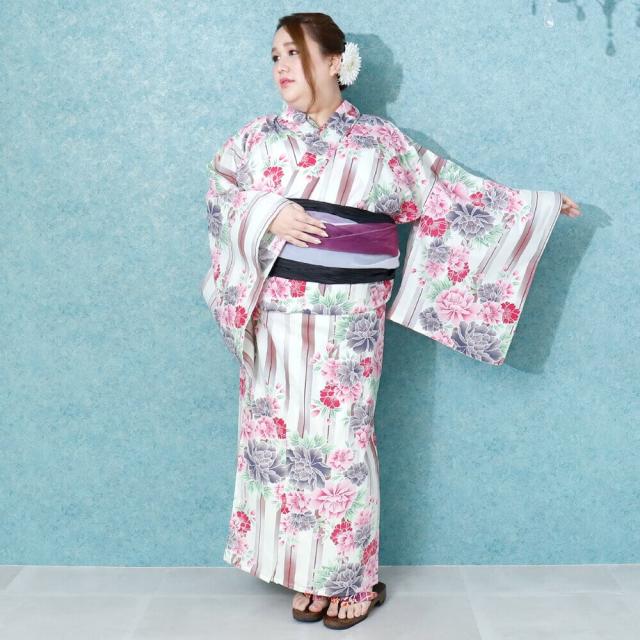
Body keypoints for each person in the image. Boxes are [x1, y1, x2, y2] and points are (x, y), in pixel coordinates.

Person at [201, 12, 582, 630]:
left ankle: (352, 577)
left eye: (294, 54)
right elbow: (220, 195)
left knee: (341, 441)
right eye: (274, 57)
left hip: (350, 316)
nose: (281, 68)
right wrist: (266, 212)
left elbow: (449, 195)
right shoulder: (256, 139)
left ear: (335, 62)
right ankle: (305, 572)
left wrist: (531, 208)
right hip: (275, 312)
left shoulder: (379, 141)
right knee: (279, 437)